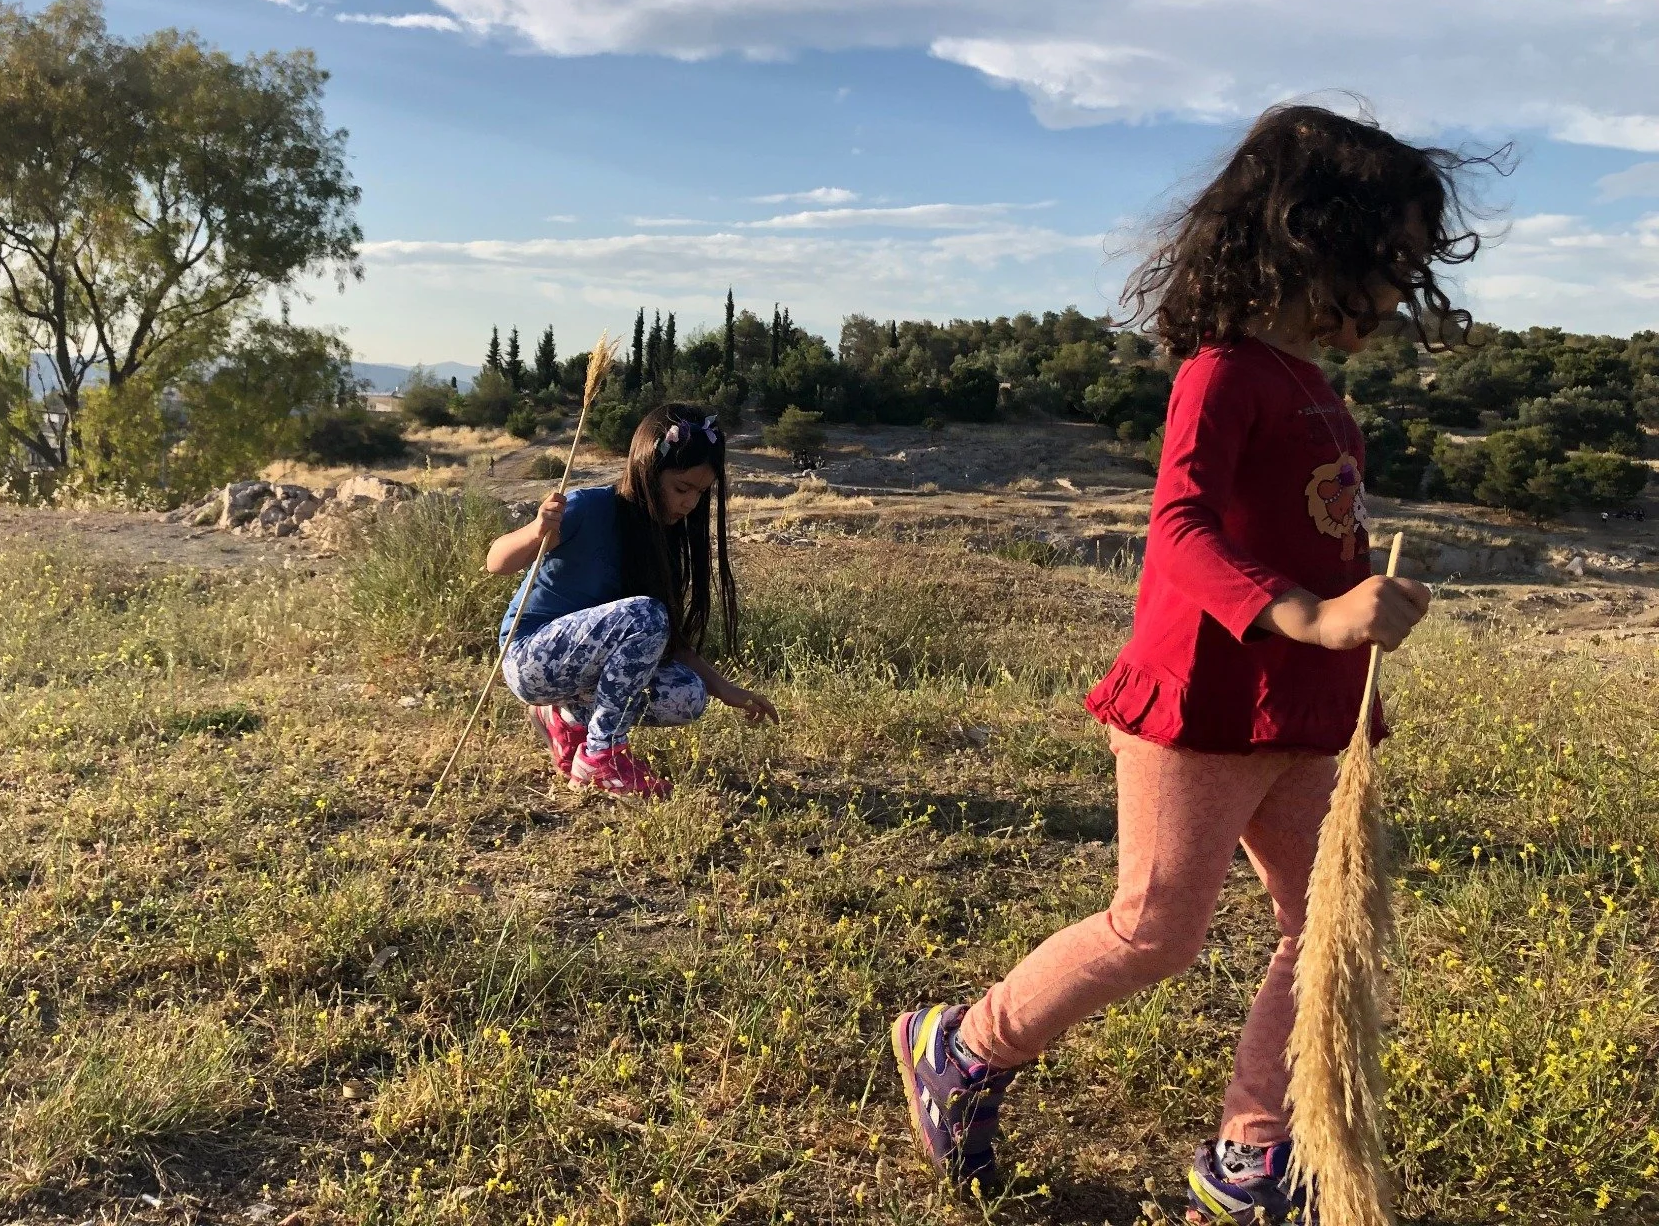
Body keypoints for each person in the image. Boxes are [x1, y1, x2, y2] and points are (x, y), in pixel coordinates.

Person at [891, 105, 1486, 1222]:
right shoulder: (1221, 375)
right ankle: (961, 1047)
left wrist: (1360, 637)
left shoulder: (1320, 394)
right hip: (1203, 709)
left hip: (1304, 715)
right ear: (1312, 240)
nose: (1397, 294)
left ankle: (1256, 1151)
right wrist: (1311, 617)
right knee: (1154, 933)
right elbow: (1179, 529)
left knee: (1326, 927)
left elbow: (1318, 542)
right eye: (1389, 263)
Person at [486, 401, 777, 799]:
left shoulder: (661, 537)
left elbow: (664, 639)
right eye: (682, 488)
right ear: (647, 470)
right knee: (646, 615)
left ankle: (567, 717)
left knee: (687, 696)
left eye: (700, 492)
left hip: (581, 667)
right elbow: (497, 562)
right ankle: (601, 757)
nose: (690, 503)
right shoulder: (589, 507)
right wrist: (537, 530)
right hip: (528, 658)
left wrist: (726, 689)